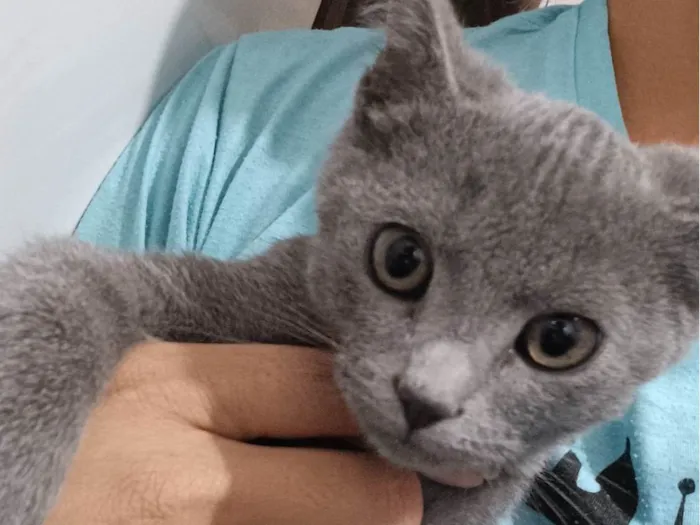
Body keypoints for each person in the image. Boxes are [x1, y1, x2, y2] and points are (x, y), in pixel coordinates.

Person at [47, 0, 698, 523]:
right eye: (403, 263)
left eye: (557, 340)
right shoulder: (248, 103)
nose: (432, 388)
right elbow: (70, 295)